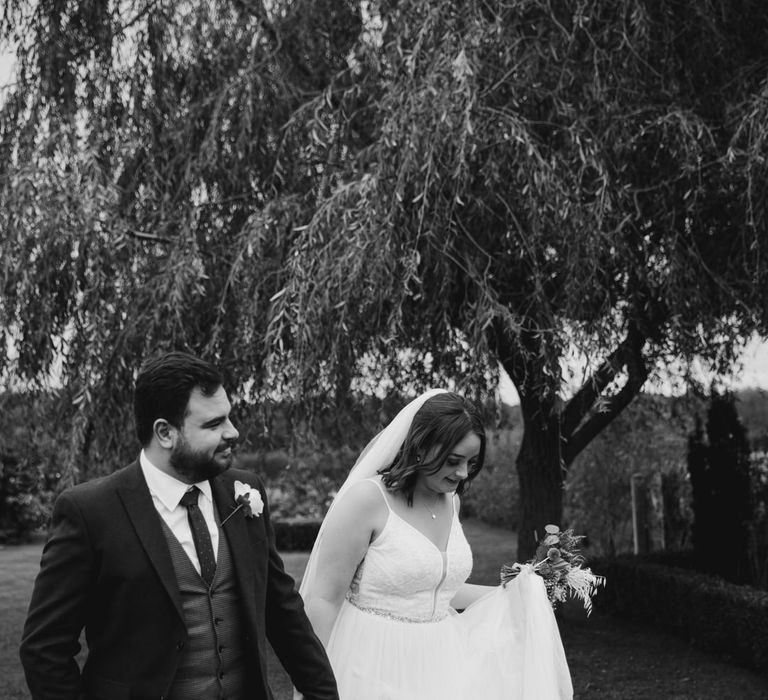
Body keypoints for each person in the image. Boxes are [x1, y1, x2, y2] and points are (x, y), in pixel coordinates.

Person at [20, 351, 338, 700]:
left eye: (228, 418)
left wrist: (322, 693)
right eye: (213, 425)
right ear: (165, 433)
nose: (233, 432)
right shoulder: (90, 511)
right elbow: (45, 649)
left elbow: (282, 610)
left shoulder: (244, 491)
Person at [299, 389, 573, 700]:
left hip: (441, 659)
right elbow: (324, 599)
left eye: (471, 462)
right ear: (420, 447)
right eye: (453, 460)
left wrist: (522, 587)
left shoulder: (450, 502)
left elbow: (438, 588)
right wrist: (308, 685)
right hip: (372, 658)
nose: (462, 473)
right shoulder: (367, 501)